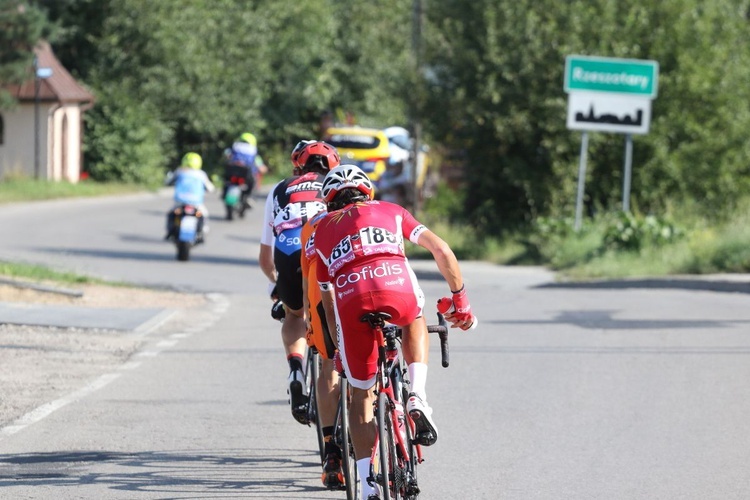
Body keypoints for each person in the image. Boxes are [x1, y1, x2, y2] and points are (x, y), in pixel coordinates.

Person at [313, 164, 476, 500]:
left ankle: (365, 485)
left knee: (362, 395)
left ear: (330, 202)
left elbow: (327, 304)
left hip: (350, 296)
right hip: (395, 283)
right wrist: (461, 302)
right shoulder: (391, 210)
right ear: (367, 192)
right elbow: (441, 250)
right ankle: (417, 395)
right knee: (413, 318)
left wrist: (340, 350)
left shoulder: (322, 231)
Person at [258, 140, 341, 427]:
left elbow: (265, 258)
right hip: (321, 249)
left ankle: (295, 368)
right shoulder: (337, 183)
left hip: (288, 250)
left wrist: (277, 286)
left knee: (294, 314)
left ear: (298, 166)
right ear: (333, 166)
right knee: (334, 318)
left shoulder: (280, 189)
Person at [300, 205, 345, 488]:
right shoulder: (377, 214)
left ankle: (330, 451)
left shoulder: (314, 224)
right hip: (367, 286)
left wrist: (307, 319)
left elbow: (306, 279)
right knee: (368, 363)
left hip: (320, 290)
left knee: (329, 363)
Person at [165, 152, 215, 238]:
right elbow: (210, 188)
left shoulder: (179, 171)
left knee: (171, 213)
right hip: (196, 203)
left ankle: (170, 231)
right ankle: (203, 229)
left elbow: (168, 182)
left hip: (180, 202)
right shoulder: (201, 174)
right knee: (204, 214)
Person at [222, 132, 268, 209]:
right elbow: (260, 165)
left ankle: (224, 194)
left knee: (226, 181)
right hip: (246, 174)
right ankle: (249, 198)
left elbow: (227, 154)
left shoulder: (235, 146)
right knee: (254, 184)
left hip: (232, 171)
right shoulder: (253, 150)